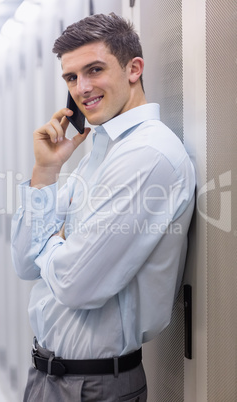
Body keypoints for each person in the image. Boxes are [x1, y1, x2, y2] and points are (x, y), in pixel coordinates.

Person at [11, 13, 195, 402]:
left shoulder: (146, 155)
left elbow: (78, 285)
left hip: (93, 388)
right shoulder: (102, 149)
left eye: (95, 70)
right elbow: (25, 262)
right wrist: (45, 171)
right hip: (47, 376)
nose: (82, 88)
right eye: (71, 77)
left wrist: (54, 244)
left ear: (134, 69)